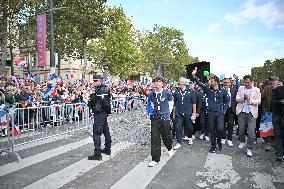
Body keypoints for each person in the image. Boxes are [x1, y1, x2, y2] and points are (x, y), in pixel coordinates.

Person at [192, 68, 229, 153]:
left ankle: (219, 141)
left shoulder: (223, 91)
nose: (209, 82)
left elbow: (227, 101)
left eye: (211, 81)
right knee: (212, 130)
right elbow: (199, 83)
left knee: (220, 129)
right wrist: (194, 76)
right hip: (210, 113)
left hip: (220, 113)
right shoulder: (208, 89)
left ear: (216, 82)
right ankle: (213, 146)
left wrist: (224, 110)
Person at [146, 76, 174, 167]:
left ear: (162, 84)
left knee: (166, 136)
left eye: (159, 82)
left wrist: (167, 115)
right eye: (156, 82)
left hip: (164, 118)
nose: (157, 83)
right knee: (154, 138)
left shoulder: (167, 93)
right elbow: (150, 106)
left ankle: (169, 147)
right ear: (154, 83)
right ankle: (155, 158)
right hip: (154, 118)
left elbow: (170, 106)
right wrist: (149, 115)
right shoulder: (151, 94)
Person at [236, 75, 261, 157]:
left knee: (251, 132)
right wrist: (243, 98)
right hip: (242, 111)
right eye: (245, 82)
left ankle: (249, 148)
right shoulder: (241, 88)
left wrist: (249, 100)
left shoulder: (256, 90)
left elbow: (258, 101)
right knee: (241, 130)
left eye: (248, 82)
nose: (247, 84)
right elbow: (237, 99)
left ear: (252, 82)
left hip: (252, 113)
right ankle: (242, 141)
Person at [88, 75, 112, 161]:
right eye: (93, 80)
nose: (93, 82)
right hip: (102, 113)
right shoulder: (101, 89)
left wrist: (109, 111)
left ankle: (97, 154)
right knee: (106, 131)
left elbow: (105, 103)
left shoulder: (102, 90)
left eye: (95, 80)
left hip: (100, 113)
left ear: (100, 81)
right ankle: (107, 149)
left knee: (97, 133)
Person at [172, 77, 197, 149]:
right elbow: (175, 104)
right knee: (178, 127)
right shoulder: (177, 91)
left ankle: (190, 137)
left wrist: (194, 113)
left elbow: (194, 103)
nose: (178, 82)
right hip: (179, 113)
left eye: (179, 81)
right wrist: (174, 113)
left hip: (188, 112)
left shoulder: (191, 91)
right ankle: (179, 142)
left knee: (189, 127)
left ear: (183, 83)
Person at [221, 78, 237, 147]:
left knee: (230, 124)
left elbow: (236, 100)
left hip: (231, 110)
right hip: (223, 110)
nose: (225, 84)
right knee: (223, 124)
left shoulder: (234, 90)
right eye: (224, 82)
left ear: (230, 83)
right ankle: (223, 137)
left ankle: (229, 139)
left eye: (227, 82)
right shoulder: (220, 90)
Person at [271, 80, 284, 162]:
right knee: (278, 135)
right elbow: (273, 101)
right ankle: (279, 154)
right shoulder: (277, 90)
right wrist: (281, 102)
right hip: (277, 115)